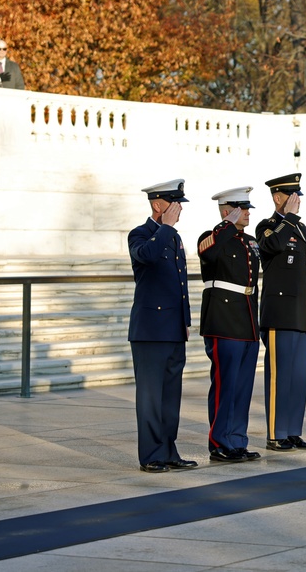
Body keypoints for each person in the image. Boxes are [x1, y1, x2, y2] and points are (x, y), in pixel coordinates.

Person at [127, 179, 197, 473]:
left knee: (170, 397)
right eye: (175, 203)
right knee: (150, 398)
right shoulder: (140, 234)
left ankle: (169, 450)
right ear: (158, 205)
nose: (179, 209)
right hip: (150, 331)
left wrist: (186, 321)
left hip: (173, 329)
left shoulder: (175, 238)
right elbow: (148, 256)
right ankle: (151, 455)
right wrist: (165, 227)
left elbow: (180, 284)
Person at [197, 187, 262, 463]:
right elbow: (208, 254)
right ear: (227, 211)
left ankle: (237, 440)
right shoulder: (211, 238)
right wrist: (225, 225)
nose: (247, 212)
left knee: (242, 386)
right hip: (223, 321)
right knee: (225, 385)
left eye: (247, 208)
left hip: (247, 319)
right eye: (241, 208)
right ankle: (219, 442)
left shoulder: (249, 241)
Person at [256, 173, 306, 452]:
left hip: (301, 313)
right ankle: (275, 433)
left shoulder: (302, 230)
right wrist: (288, 219)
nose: (298, 201)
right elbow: (271, 247)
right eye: (293, 197)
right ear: (279, 198)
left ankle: (292, 431)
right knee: (279, 376)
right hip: (280, 314)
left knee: (299, 376)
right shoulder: (266, 227)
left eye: (299, 196)